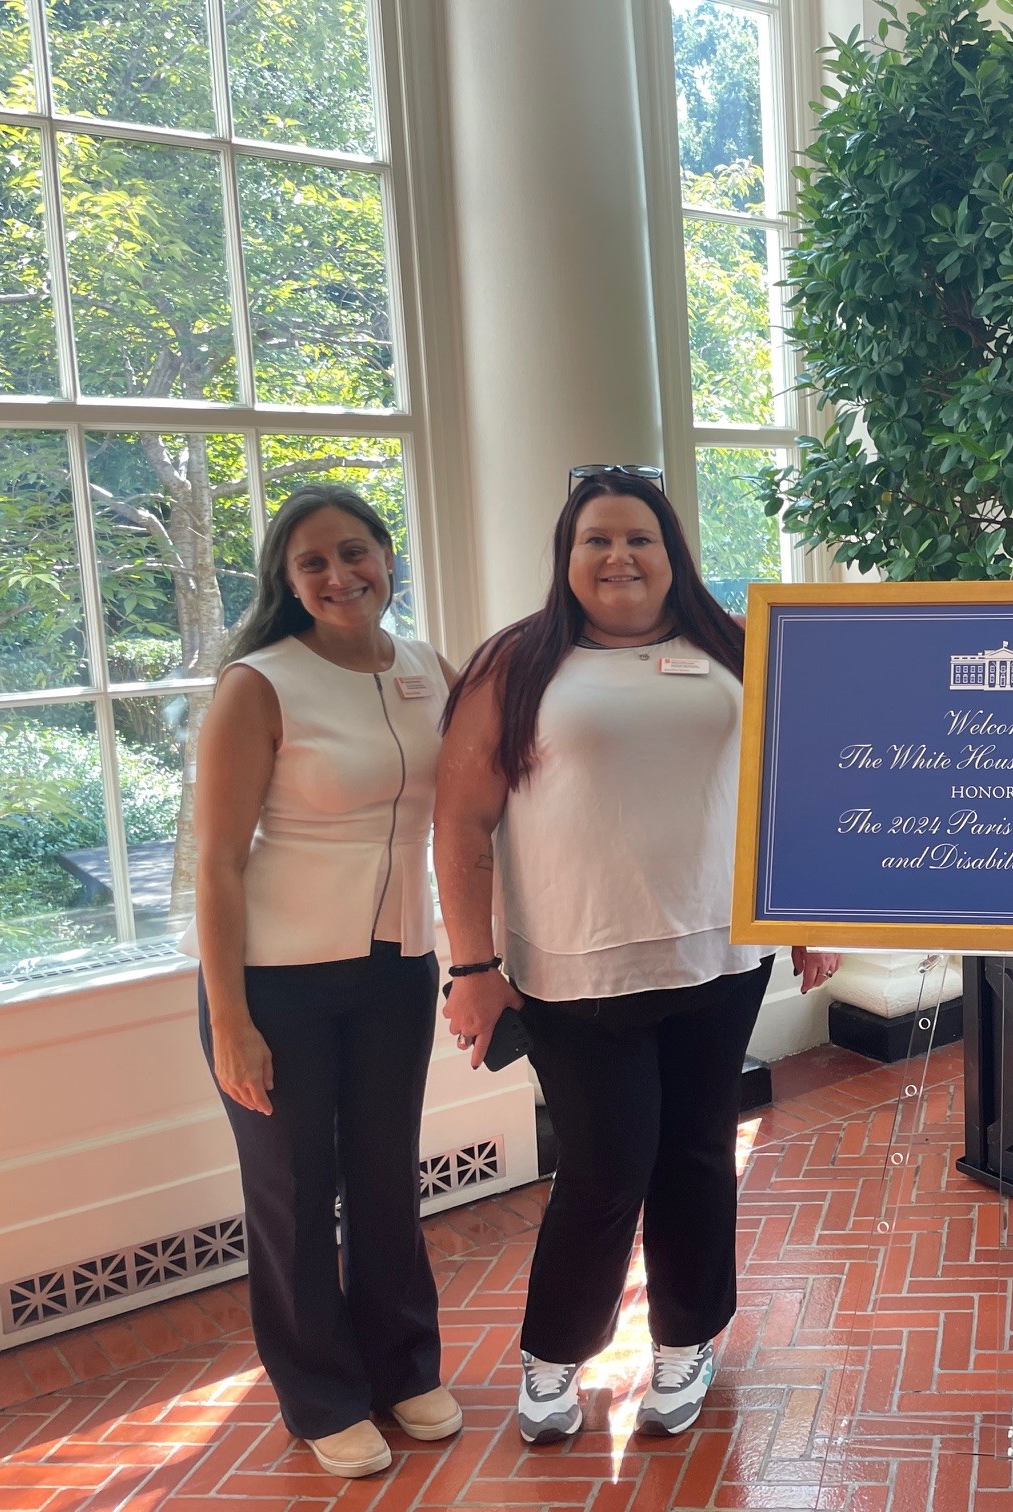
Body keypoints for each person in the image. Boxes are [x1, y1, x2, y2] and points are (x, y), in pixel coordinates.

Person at [433, 465, 840, 1444]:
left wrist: (806, 913)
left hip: (721, 957)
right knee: (607, 1167)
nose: (618, 556)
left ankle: (686, 1339)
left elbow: (788, 783)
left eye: (639, 538)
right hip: (575, 968)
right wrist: (473, 966)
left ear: (672, 554)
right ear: (567, 558)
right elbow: (461, 820)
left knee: (699, 1153)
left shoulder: (734, 650)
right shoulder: (516, 664)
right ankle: (553, 1356)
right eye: (596, 540)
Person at [187, 485, 461, 1478]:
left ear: (389, 556)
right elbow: (216, 861)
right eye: (314, 564)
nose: (341, 575)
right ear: (287, 582)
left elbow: (478, 800)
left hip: (397, 967)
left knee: (388, 1178)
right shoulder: (258, 684)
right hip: (277, 981)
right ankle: (320, 1394)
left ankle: (403, 1366)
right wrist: (229, 1018)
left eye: (356, 553)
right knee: (295, 1194)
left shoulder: (429, 669)